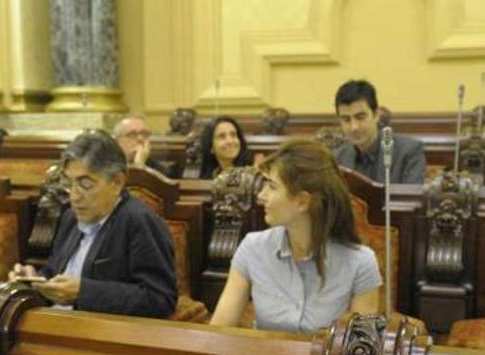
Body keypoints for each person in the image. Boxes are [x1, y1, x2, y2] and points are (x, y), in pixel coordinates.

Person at [210, 139, 381, 333]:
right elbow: (218, 333)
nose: (261, 196)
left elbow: (362, 351)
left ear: (302, 201)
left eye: (272, 187)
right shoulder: (252, 248)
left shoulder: (361, 262)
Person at [9, 130, 177, 317]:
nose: (74, 196)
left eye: (85, 184)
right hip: (56, 323)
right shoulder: (70, 217)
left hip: (102, 335)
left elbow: (159, 299)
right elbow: (56, 272)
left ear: (117, 182)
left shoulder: (138, 221)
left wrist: (83, 292)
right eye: (69, 183)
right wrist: (34, 279)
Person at [332, 79, 426, 184]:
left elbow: (411, 198)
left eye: (360, 117)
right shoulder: (337, 158)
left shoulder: (408, 151)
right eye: (346, 119)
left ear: (376, 115)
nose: (354, 127)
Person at [112, 115, 178, 178]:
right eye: (132, 134)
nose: (140, 139)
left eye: (145, 134)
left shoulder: (160, 172)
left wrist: (140, 165)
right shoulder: (107, 168)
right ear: (117, 142)